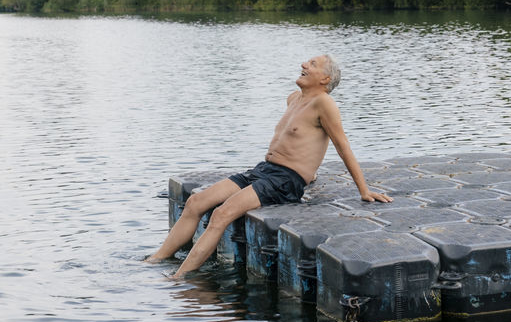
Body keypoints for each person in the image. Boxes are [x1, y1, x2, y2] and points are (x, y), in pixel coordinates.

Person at [145, 53, 391, 278]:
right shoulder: (293, 98)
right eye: (307, 62)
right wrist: (312, 170)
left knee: (222, 214)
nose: (304, 65)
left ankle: (179, 278)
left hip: (285, 181)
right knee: (195, 202)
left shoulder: (324, 103)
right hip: (264, 170)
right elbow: (306, 141)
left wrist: (363, 190)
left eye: (312, 64)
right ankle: (156, 260)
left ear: (325, 79)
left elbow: (341, 144)